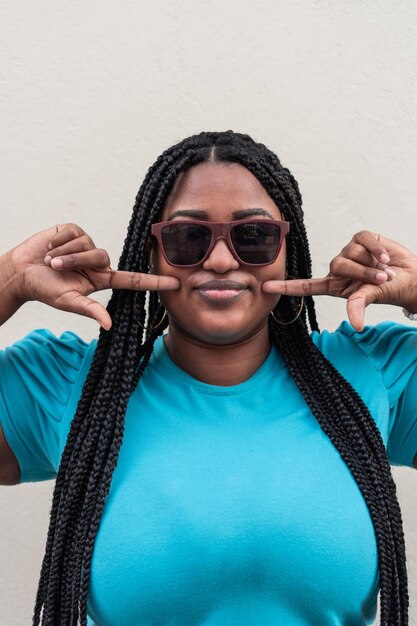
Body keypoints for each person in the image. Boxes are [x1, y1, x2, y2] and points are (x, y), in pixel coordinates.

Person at [0, 130, 416, 626]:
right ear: (149, 252)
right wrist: (7, 281)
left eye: (254, 237)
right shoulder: (71, 384)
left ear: (290, 247)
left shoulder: (369, 371)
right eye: (188, 237)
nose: (220, 261)